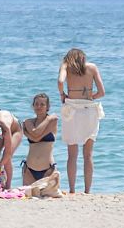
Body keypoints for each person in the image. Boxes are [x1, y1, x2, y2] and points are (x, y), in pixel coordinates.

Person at [57, 48, 106, 193]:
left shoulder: (66, 66)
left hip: (72, 109)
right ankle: (87, 191)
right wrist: (91, 97)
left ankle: (72, 189)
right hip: (89, 109)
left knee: (72, 154)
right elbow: (102, 92)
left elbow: (60, 81)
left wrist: (62, 95)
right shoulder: (92, 68)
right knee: (88, 154)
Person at [20, 92, 59, 185]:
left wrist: (26, 133)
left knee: (47, 196)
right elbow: (35, 132)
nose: (39, 106)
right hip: (29, 169)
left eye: (42, 104)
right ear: (33, 106)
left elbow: (36, 136)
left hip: (48, 169)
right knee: (27, 197)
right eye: (36, 104)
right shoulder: (28, 121)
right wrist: (48, 119)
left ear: (47, 106)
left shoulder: (53, 121)